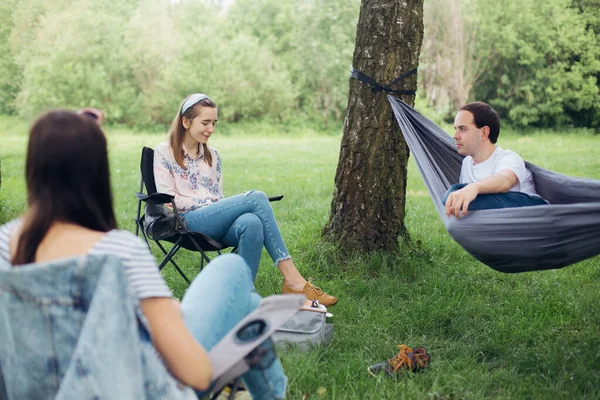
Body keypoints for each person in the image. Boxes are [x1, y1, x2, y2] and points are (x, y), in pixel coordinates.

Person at [0, 110, 287, 399]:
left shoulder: (4, 245)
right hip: (143, 388)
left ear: (32, 169)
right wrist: (170, 316)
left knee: (246, 300)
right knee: (233, 272)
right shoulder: (118, 252)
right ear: (98, 174)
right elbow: (196, 373)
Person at [153, 93, 337, 307]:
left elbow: (217, 195)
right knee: (256, 198)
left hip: (213, 219)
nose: (210, 129)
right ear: (185, 122)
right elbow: (167, 200)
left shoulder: (213, 156)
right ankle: (293, 280)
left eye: (213, 123)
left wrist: (216, 205)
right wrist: (208, 203)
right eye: (205, 123)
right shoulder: (164, 151)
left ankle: (242, 296)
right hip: (184, 221)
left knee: (252, 222)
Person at [443, 101, 548, 218]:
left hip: (532, 213)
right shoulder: (467, 163)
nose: (455, 136)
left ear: (484, 132)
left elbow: (505, 181)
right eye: (455, 129)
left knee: (454, 191)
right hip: (498, 219)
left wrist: (474, 188)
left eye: (462, 129)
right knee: (455, 195)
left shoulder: (508, 158)